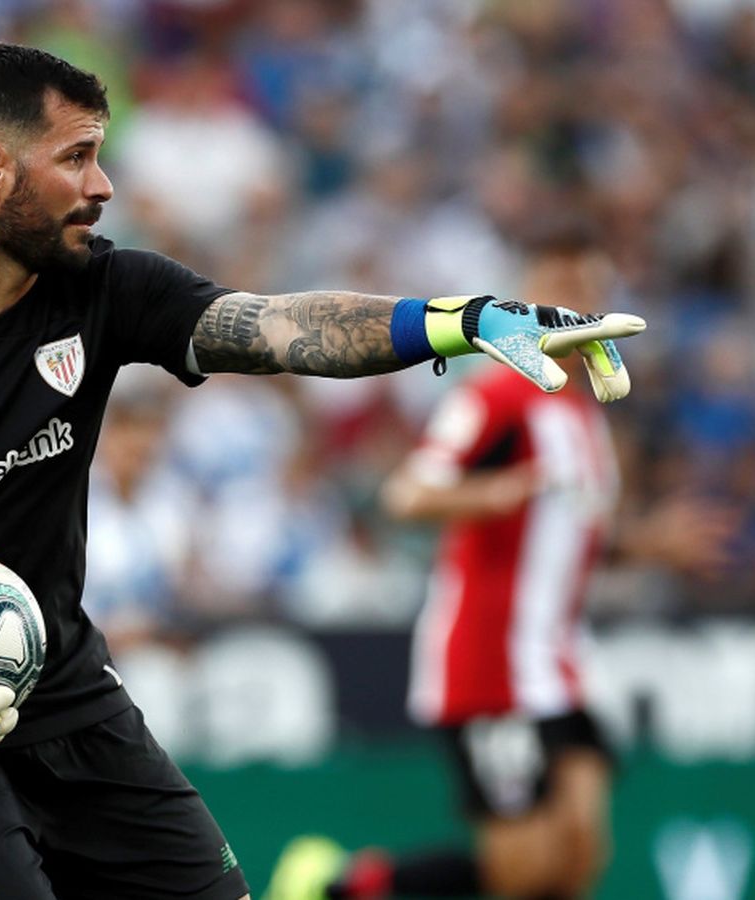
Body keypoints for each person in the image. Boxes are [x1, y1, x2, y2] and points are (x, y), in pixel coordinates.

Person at [0, 44, 645, 900]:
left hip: (59, 686)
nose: (102, 184)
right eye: (76, 158)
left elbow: (276, 329)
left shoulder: (101, 289)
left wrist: (461, 321)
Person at [265, 225, 728, 900]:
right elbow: (407, 493)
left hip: (560, 659)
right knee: (523, 871)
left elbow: (565, 531)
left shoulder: (587, 415)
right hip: (490, 660)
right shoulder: (494, 398)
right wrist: (493, 492)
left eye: (584, 287)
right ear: (527, 301)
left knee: (579, 854)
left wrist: (645, 542)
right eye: (556, 288)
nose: (572, 302)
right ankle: (341, 885)